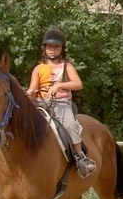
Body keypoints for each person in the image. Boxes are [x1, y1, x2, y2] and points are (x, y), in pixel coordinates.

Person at [26, 28, 96, 178]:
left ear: (61, 49)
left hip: (61, 103)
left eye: (56, 47)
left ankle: (80, 157)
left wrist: (59, 85)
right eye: (49, 46)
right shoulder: (38, 69)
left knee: (70, 124)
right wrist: (29, 94)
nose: (52, 50)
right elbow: (33, 89)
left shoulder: (66, 67)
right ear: (44, 48)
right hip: (40, 103)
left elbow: (78, 84)